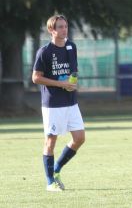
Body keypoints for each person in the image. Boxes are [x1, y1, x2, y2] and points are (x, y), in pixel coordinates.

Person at [32, 15, 85, 192]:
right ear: (51, 30)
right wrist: (60, 84)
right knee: (50, 141)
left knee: (79, 138)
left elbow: (73, 70)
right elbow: (36, 78)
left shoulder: (71, 46)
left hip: (71, 102)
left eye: (65, 26)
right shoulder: (44, 52)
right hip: (53, 103)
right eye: (60, 27)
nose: (64, 30)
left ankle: (56, 169)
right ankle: (50, 183)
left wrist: (72, 81)